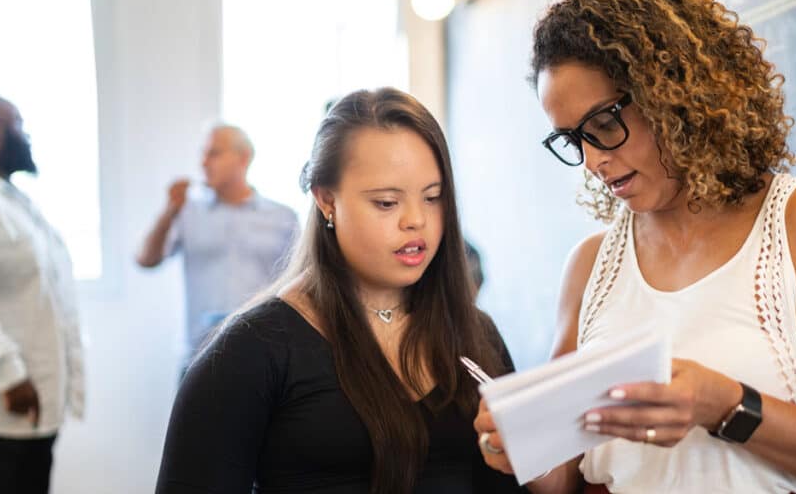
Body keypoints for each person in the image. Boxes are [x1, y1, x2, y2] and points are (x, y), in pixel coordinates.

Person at [474, 0, 796, 493]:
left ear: (673, 95)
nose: (593, 160)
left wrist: (727, 406)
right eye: (573, 140)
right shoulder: (592, 265)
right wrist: (516, 444)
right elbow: (565, 477)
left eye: (604, 125)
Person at [155, 88, 525, 493]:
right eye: (386, 203)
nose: (416, 220)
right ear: (327, 199)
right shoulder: (251, 351)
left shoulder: (476, 335)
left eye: (433, 198)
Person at [0, 94, 85, 493]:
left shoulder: (5, 195)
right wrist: (9, 377)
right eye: (20, 126)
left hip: (29, 411)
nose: (27, 138)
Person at [136, 124, 299, 366]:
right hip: (198, 355)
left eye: (213, 153)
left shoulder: (283, 218)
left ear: (243, 158)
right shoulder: (187, 212)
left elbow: (298, 283)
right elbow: (145, 259)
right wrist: (169, 211)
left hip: (263, 355)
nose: (203, 163)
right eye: (203, 153)